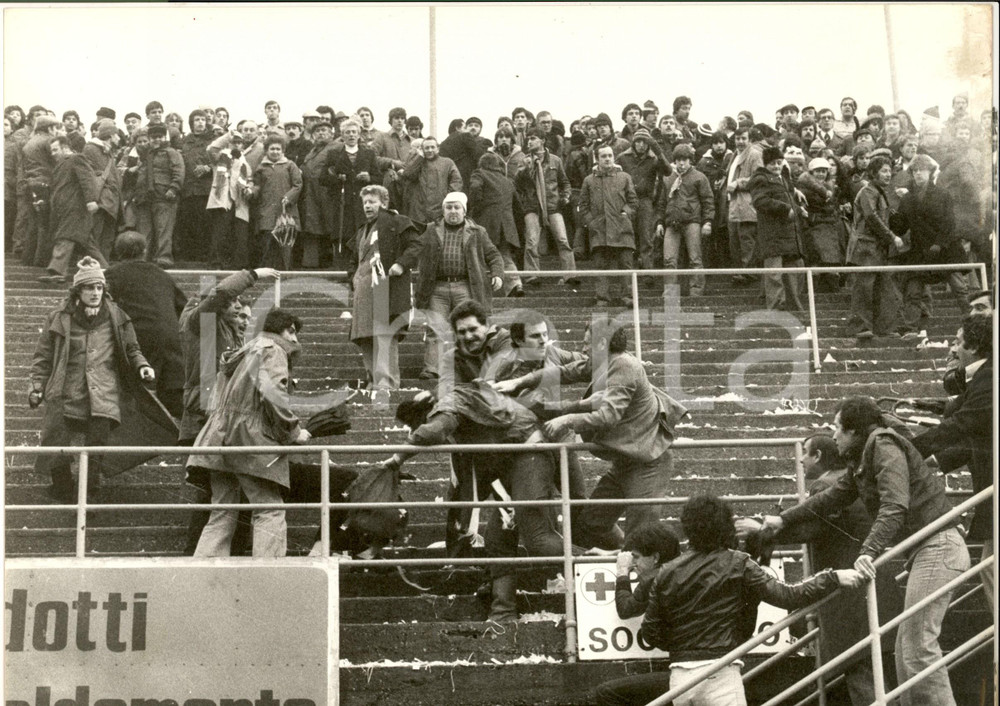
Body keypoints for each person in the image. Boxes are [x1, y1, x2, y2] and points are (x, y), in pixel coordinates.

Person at [764, 396, 970, 706]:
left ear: (854, 431)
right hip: (929, 549)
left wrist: (868, 550)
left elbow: (894, 504)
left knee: (917, 649)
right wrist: (783, 519)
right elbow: (830, 498)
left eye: (837, 428)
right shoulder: (863, 459)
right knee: (909, 650)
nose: (834, 436)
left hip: (938, 545)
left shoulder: (884, 445)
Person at [639, 495, 862, 706]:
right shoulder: (738, 562)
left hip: (680, 674)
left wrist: (683, 647)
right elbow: (787, 595)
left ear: (687, 527)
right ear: (724, 525)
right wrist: (832, 578)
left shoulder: (667, 571)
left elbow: (650, 631)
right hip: (721, 671)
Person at [385, 382, 566, 621]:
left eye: (412, 426)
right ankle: (503, 612)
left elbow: (433, 431)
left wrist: (397, 458)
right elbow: (478, 480)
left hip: (529, 452)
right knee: (497, 540)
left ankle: (602, 563)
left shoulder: (447, 404)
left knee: (538, 538)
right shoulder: (460, 411)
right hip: (511, 463)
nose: (412, 431)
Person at [497, 323, 687, 549]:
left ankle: (647, 572)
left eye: (587, 343)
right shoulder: (602, 362)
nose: (583, 348)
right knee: (589, 524)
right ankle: (615, 558)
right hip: (625, 462)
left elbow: (608, 416)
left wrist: (566, 419)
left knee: (640, 533)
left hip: (648, 463)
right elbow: (564, 372)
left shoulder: (625, 366)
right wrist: (519, 382)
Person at [739, 434, 892, 706]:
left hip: (848, 590)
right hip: (870, 582)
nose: (800, 459)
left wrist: (761, 528)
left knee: (858, 667)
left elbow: (812, 528)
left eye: (806, 453)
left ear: (818, 456)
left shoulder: (825, 485)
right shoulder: (848, 482)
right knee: (872, 667)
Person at [29, 257, 173, 503]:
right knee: (57, 442)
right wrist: (36, 385)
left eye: (99, 287)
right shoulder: (59, 316)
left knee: (97, 445)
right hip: (66, 391)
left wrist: (143, 366)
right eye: (89, 287)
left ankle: (90, 494)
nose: (95, 293)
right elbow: (43, 356)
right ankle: (62, 486)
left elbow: (132, 349)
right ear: (78, 290)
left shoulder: (117, 315)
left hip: (103, 393)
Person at [190, 308, 312, 558]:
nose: (296, 340)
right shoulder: (273, 349)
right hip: (249, 437)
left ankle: (201, 575)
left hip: (217, 437)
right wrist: (293, 431)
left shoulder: (244, 351)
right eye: (293, 333)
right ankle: (268, 578)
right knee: (270, 510)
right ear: (285, 329)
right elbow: (273, 394)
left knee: (222, 512)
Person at [178, 266, 279, 555]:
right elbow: (222, 293)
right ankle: (196, 560)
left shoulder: (224, 332)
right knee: (214, 498)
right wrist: (253, 274)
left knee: (225, 498)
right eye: (232, 303)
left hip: (220, 419)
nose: (236, 307)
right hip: (205, 418)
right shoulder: (201, 322)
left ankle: (225, 557)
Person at [912, 315, 993, 608]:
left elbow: (963, 424)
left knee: (992, 568)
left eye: (958, 342)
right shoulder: (983, 377)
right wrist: (935, 459)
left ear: (974, 346)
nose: (952, 348)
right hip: (988, 490)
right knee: (990, 566)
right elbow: (975, 436)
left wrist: (912, 449)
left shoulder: (989, 376)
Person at [413, 192, 504, 380]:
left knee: (471, 329)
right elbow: (413, 249)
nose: (452, 211)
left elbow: (494, 255)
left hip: (465, 286)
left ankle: (474, 370)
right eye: (449, 207)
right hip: (436, 288)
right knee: (435, 329)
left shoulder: (478, 231)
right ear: (443, 210)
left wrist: (497, 274)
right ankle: (432, 369)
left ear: (464, 210)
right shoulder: (430, 230)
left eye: (457, 207)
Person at [347, 185, 423, 396]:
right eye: (365, 203)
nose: (368, 206)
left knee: (384, 335)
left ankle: (386, 384)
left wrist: (400, 264)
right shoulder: (362, 230)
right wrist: (353, 276)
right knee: (365, 337)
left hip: (384, 287)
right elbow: (354, 259)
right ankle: (372, 381)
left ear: (384, 202)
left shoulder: (397, 221)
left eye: (372, 201)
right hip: (363, 290)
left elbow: (416, 245)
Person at [105, 231, 186, 418]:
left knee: (139, 397)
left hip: (139, 341)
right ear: (144, 250)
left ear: (118, 253)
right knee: (174, 396)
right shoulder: (162, 275)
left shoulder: (113, 275)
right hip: (171, 341)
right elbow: (184, 307)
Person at [894, 153, 967, 338]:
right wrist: (893, 213)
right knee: (913, 290)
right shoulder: (907, 199)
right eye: (915, 171)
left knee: (960, 288)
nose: (918, 174)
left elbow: (950, 224)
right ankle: (911, 328)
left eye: (922, 170)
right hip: (921, 251)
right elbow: (901, 227)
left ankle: (972, 322)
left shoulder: (943, 194)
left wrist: (939, 244)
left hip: (946, 248)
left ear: (930, 172)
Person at [847, 155, 904, 338]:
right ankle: (861, 328)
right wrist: (891, 237)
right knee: (864, 288)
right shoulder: (868, 191)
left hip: (876, 248)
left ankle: (883, 329)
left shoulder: (880, 193)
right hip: (865, 247)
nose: (888, 175)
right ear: (874, 173)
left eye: (890, 171)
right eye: (884, 171)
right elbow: (872, 217)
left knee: (883, 288)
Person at [38, 136, 106, 284]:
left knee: (65, 237)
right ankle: (106, 270)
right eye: (52, 151)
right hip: (65, 211)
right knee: (87, 244)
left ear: (65, 148)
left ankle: (57, 270)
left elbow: (87, 179)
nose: (53, 153)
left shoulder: (76, 158)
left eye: (55, 149)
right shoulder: (60, 165)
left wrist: (91, 200)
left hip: (76, 209)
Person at [515, 128, 577, 285]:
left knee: (563, 240)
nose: (529, 141)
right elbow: (517, 184)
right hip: (532, 207)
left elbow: (564, 182)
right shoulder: (524, 160)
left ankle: (570, 275)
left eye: (533, 138)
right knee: (531, 242)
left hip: (552, 206)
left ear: (542, 141)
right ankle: (531, 276)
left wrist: (565, 196)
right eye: (528, 138)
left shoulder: (555, 160)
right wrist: (525, 170)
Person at [580, 144, 638, 307]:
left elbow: (633, 201)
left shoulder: (624, 177)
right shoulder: (589, 180)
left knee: (626, 264)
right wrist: (591, 221)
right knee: (600, 265)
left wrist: (625, 213)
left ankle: (628, 297)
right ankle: (602, 298)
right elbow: (582, 205)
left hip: (622, 228)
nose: (607, 159)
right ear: (597, 159)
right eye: (603, 156)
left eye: (610, 156)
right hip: (599, 230)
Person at [656, 143, 715, 297]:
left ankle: (696, 290)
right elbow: (662, 202)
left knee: (695, 258)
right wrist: (660, 222)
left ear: (691, 160)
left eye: (685, 159)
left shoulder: (699, 177)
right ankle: (670, 291)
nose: (682, 163)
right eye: (679, 159)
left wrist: (707, 221)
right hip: (671, 223)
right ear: (674, 160)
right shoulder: (668, 178)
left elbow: (708, 201)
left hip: (692, 222)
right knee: (669, 259)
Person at [323, 119, 383, 267]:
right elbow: (323, 178)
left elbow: (379, 178)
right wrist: (337, 178)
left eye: (354, 132)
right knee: (343, 240)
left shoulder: (368, 154)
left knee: (364, 239)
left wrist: (369, 178)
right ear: (342, 135)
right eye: (347, 132)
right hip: (342, 206)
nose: (351, 135)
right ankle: (342, 274)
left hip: (363, 206)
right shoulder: (333, 154)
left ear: (359, 135)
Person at [468, 152, 523, 297]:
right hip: (507, 225)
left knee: (480, 253)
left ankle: (481, 289)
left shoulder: (479, 173)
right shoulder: (507, 181)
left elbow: (474, 188)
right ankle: (515, 284)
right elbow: (518, 205)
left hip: (487, 222)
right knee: (505, 255)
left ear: (482, 163)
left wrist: (475, 208)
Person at [616, 127, 669, 275]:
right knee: (627, 236)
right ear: (633, 142)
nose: (641, 145)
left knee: (646, 237)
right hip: (626, 201)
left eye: (645, 142)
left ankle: (648, 272)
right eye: (638, 141)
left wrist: (657, 150)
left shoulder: (653, 158)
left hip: (645, 200)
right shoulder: (622, 157)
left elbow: (668, 171)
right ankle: (627, 272)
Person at [133, 123, 184, 268]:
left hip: (164, 196)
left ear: (165, 137)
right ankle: (143, 258)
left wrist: (173, 189)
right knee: (145, 231)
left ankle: (164, 258)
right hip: (145, 198)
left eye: (160, 137)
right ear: (149, 138)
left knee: (164, 229)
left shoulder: (171, 152)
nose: (157, 140)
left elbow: (179, 171)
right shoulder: (146, 154)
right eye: (153, 137)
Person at [16, 114, 62, 267]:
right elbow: (57, 160)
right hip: (45, 184)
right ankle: (41, 260)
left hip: (29, 184)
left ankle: (28, 258)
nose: (57, 131)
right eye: (55, 128)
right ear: (49, 128)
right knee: (45, 224)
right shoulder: (49, 141)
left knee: (33, 223)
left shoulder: (29, 142)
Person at [252, 134, 301, 269]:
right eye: (272, 149)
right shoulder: (261, 168)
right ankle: (266, 272)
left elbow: (298, 185)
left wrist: (289, 197)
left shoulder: (290, 165)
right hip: (266, 210)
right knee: (267, 242)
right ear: (266, 151)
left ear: (283, 151)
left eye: (278, 149)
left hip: (286, 211)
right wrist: (251, 191)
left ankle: (285, 271)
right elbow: (257, 186)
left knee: (285, 242)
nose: (275, 152)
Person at [205, 132, 253, 269]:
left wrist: (248, 188)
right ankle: (216, 263)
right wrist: (228, 136)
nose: (236, 144)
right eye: (234, 142)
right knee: (220, 233)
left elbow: (250, 179)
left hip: (239, 202)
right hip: (223, 199)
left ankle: (238, 265)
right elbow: (211, 149)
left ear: (243, 145)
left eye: (239, 142)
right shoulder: (221, 157)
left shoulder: (245, 163)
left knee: (240, 234)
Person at [797, 157, 844, 292]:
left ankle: (832, 288)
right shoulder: (804, 190)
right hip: (814, 228)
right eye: (818, 171)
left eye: (824, 171)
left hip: (830, 227)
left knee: (831, 261)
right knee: (817, 260)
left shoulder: (831, 188)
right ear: (811, 172)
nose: (821, 174)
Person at [297, 120, 339, 268]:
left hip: (328, 194)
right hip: (311, 195)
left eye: (324, 130)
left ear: (331, 133)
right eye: (317, 131)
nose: (321, 133)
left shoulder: (336, 147)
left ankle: (336, 265)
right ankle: (311, 265)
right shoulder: (312, 151)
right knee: (312, 229)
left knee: (332, 228)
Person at [725, 127, 764, 285]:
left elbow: (759, 177)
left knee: (747, 240)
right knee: (736, 241)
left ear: (750, 140)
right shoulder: (735, 154)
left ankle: (749, 273)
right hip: (734, 205)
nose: (740, 142)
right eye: (737, 138)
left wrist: (738, 183)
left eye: (743, 139)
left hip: (747, 205)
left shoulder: (754, 154)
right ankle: (741, 272)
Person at [174, 109, 214, 262]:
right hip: (188, 189)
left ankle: (203, 257)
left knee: (205, 223)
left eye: (203, 120)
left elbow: (223, 159)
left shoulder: (213, 140)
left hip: (205, 189)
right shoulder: (184, 141)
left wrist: (208, 167)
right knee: (188, 222)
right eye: (197, 120)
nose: (200, 122)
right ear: (191, 123)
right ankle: (189, 258)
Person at [400, 136, 462, 225]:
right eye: (426, 148)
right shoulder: (418, 163)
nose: (429, 150)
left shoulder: (447, 162)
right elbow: (407, 174)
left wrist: (447, 198)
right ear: (422, 150)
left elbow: (457, 181)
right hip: (419, 210)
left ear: (438, 148)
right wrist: (420, 157)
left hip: (439, 209)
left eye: (432, 147)